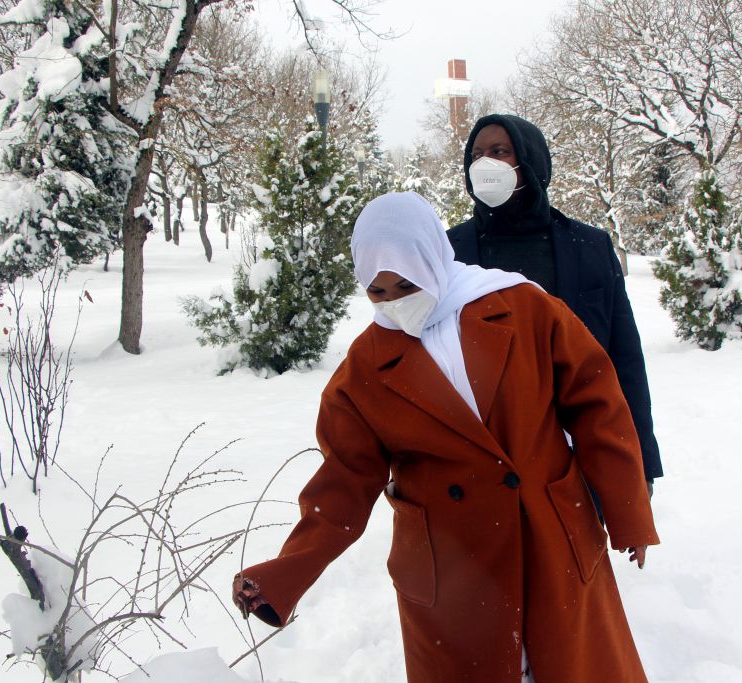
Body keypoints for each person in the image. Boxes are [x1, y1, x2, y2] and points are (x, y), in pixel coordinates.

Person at [233, 192, 659, 683]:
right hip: (451, 572)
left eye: (405, 284)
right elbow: (343, 484)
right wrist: (285, 573)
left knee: (567, 666)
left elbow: (598, 406)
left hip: (547, 537)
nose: (395, 302)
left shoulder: (525, 308)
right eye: (378, 292)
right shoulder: (363, 371)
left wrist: (628, 513)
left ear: (433, 255)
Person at [447, 114, 663, 497]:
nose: (485, 164)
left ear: (530, 161)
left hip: (574, 455)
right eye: (476, 155)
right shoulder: (449, 252)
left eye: (499, 151)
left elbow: (623, 357)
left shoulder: (590, 247)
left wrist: (639, 460)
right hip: (480, 461)